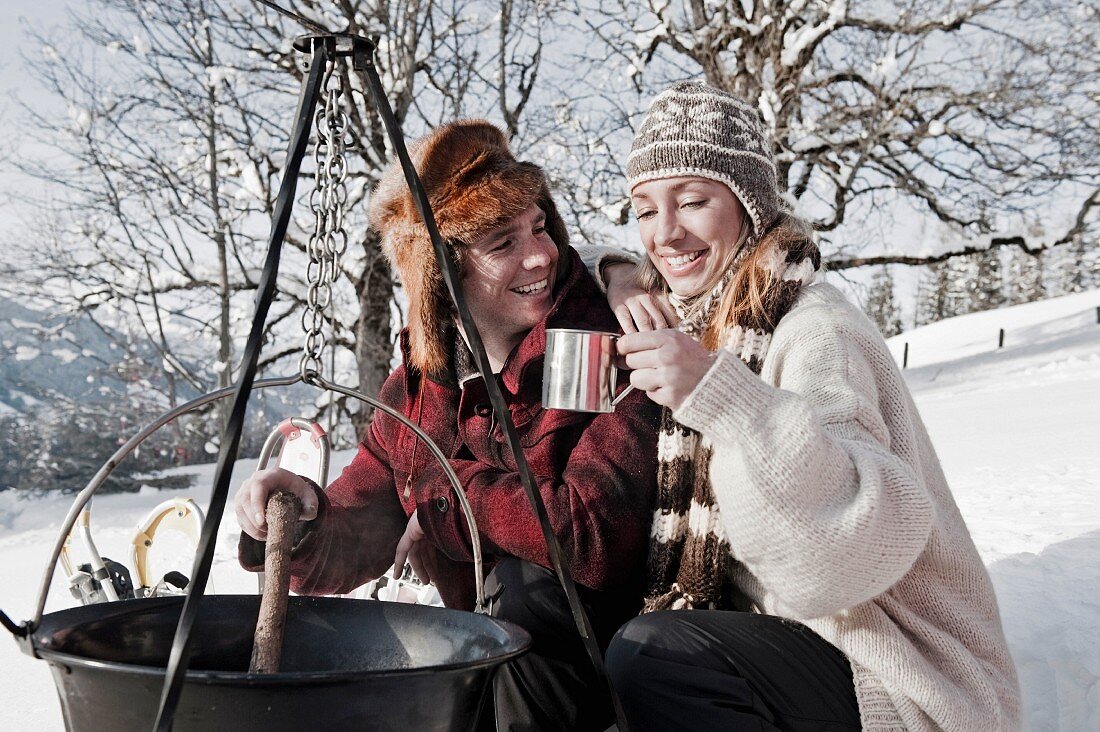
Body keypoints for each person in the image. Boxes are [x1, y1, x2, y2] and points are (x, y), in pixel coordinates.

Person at [595, 81, 1021, 731]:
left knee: (657, 654)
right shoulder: (695, 313)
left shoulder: (814, 331)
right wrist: (616, 270)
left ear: (746, 204)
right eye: (646, 210)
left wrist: (724, 397)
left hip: (893, 666)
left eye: (693, 201)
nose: (666, 233)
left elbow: (844, 558)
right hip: (787, 639)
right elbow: (544, 264)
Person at [233, 120, 660, 731]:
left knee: (528, 585)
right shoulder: (427, 377)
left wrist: (440, 503)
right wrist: (305, 521)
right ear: (443, 272)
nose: (540, 254)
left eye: (540, 227)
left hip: (609, 674)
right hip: (489, 672)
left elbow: (591, 538)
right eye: (502, 243)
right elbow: (368, 516)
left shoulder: (606, 340)